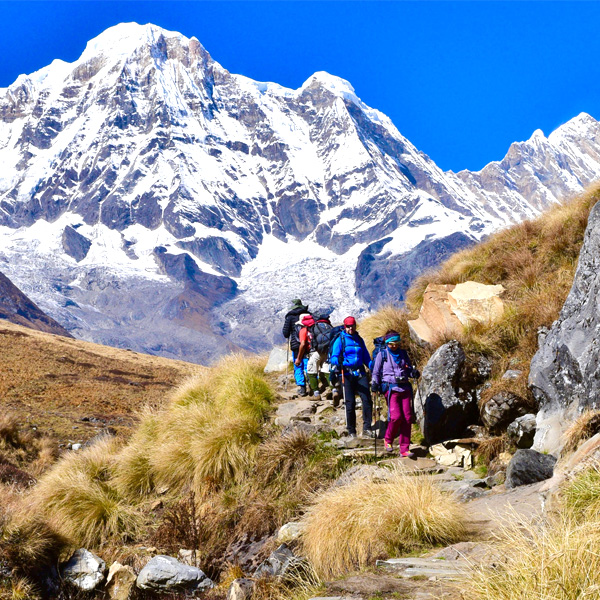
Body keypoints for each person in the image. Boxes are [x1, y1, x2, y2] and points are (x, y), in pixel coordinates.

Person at [370, 330, 420, 458]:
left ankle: (405, 448)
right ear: (387, 343)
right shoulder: (383, 354)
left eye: (397, 343)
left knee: (408, 418)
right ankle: (388, 439)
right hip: (391, 388)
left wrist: (413, 373)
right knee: (396, 417)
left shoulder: (403, 353)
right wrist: (375, 384)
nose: (394, 346)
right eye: (391, 343)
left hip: (405, 388)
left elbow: (408, 368)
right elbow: (375, 372)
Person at [329, 316, 375, 438]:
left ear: (355, 326)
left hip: (360, 372)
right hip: (346, 373)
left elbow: (365, 356)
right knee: (350, 403)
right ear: (345, 327)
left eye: (352, 326)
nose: (351, 328)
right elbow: (333, 357)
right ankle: (351, 430)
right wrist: (338, 360)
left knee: (367, 400)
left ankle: (367, 428)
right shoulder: (340, 340)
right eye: (348, 326)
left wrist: (373, 367)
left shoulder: (359, 339)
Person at [282, 299, 309, 396]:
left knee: (298, 365)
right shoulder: (308, 314)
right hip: (309, 343)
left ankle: (302, 388)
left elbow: (285, 333)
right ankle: (313, 385)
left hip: (296, 344)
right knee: (307, 364)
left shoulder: (290, 317)